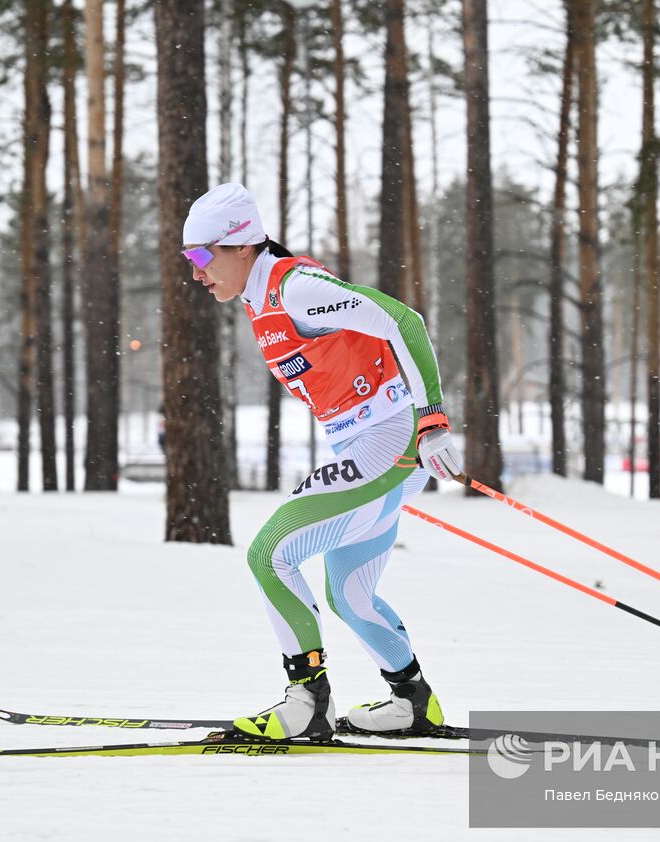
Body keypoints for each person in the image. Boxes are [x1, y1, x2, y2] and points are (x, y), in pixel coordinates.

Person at [181, 182, 463, 741]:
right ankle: (413, 701)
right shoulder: (260, 297)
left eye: (200, 256)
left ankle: (307, 700)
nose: (195, 272)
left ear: (241, 245)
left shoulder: (298, 288)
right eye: (188, 259)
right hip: (367, 446)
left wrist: (431, 420)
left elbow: (404, 321)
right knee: (350, 594)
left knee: (270, 554)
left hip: (387, 444)